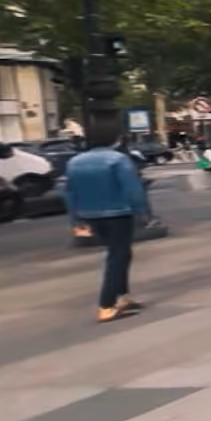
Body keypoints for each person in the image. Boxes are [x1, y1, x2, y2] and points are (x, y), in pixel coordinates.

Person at [64, 124, 148, 323]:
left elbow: (69, 192)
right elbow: (133, 189)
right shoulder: (118, 159)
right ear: (115, 139)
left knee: (120, 254)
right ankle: (106, 305)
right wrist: (142, 212)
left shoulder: (74, 162)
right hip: (119, 213)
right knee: (117, 257)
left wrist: (75, 218)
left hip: (90, 214)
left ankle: (123, 297)